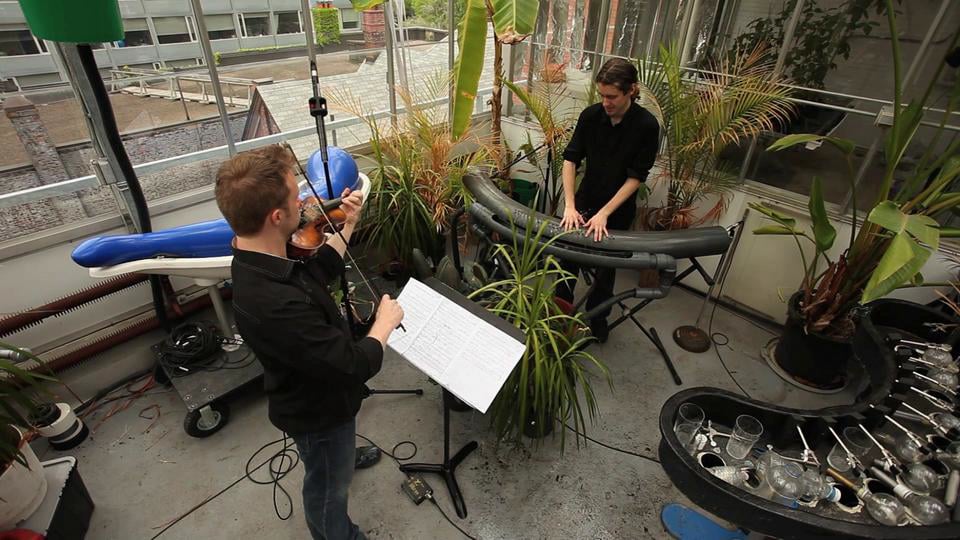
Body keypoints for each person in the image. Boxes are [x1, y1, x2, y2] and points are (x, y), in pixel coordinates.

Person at [214, 145, 404, 540]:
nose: (304, 199)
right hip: (319, 411)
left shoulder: (260, 253)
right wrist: (383, 325)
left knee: (335, 456)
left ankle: (343, 458)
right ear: (277, 216)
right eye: (294, 194)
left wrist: (347, 225)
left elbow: (317, 270)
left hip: (320, 394)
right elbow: (353, 365)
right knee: (327, 490)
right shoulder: (275, 304)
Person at [557, 58, 660, 343]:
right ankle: (558, 318)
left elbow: (636, 177)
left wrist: (604, 213)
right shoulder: (591, 116)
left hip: (616, 210)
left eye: (612, 96)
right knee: (566, 262)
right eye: (602, 95)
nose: (606, 102)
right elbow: (570, 159)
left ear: (632, 91)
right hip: (584, 201)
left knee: (605, 271)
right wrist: (569, 205)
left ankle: (596, 320)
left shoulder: (647, 126)